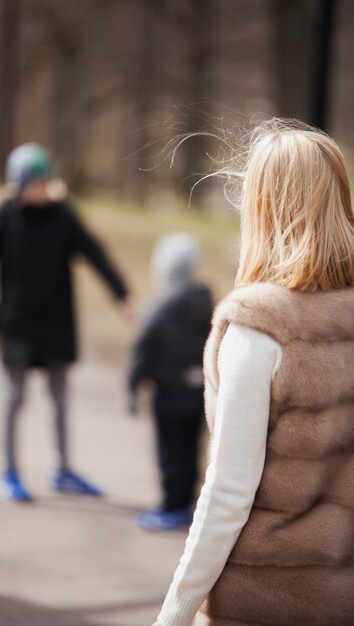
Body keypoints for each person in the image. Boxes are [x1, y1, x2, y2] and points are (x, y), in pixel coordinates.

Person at [152, 120, 354, 626]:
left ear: (262, 205)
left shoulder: (259, 329)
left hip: (259, 603)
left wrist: (172, 616)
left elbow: (227, 494)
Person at [0, 143, 132, 503]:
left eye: (47, 182)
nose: (45, 189)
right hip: (16, 325)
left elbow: (94, 252)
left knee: (60, 397)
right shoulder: (4, 220)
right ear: (20, 185)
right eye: (37, 183)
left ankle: (62, 470)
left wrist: (120, 294)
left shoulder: (63, 216)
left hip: (56, 324)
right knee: (15, 397)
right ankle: (8, 470)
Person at [128, 232, 213, 531]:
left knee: (169, 453)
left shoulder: (158, 311)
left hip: (168, 396)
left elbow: (143, 352)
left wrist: (132, 387)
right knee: (191, 450)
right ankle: (186, 504)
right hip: (198, 394)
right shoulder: (206, 303)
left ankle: (171, 506)